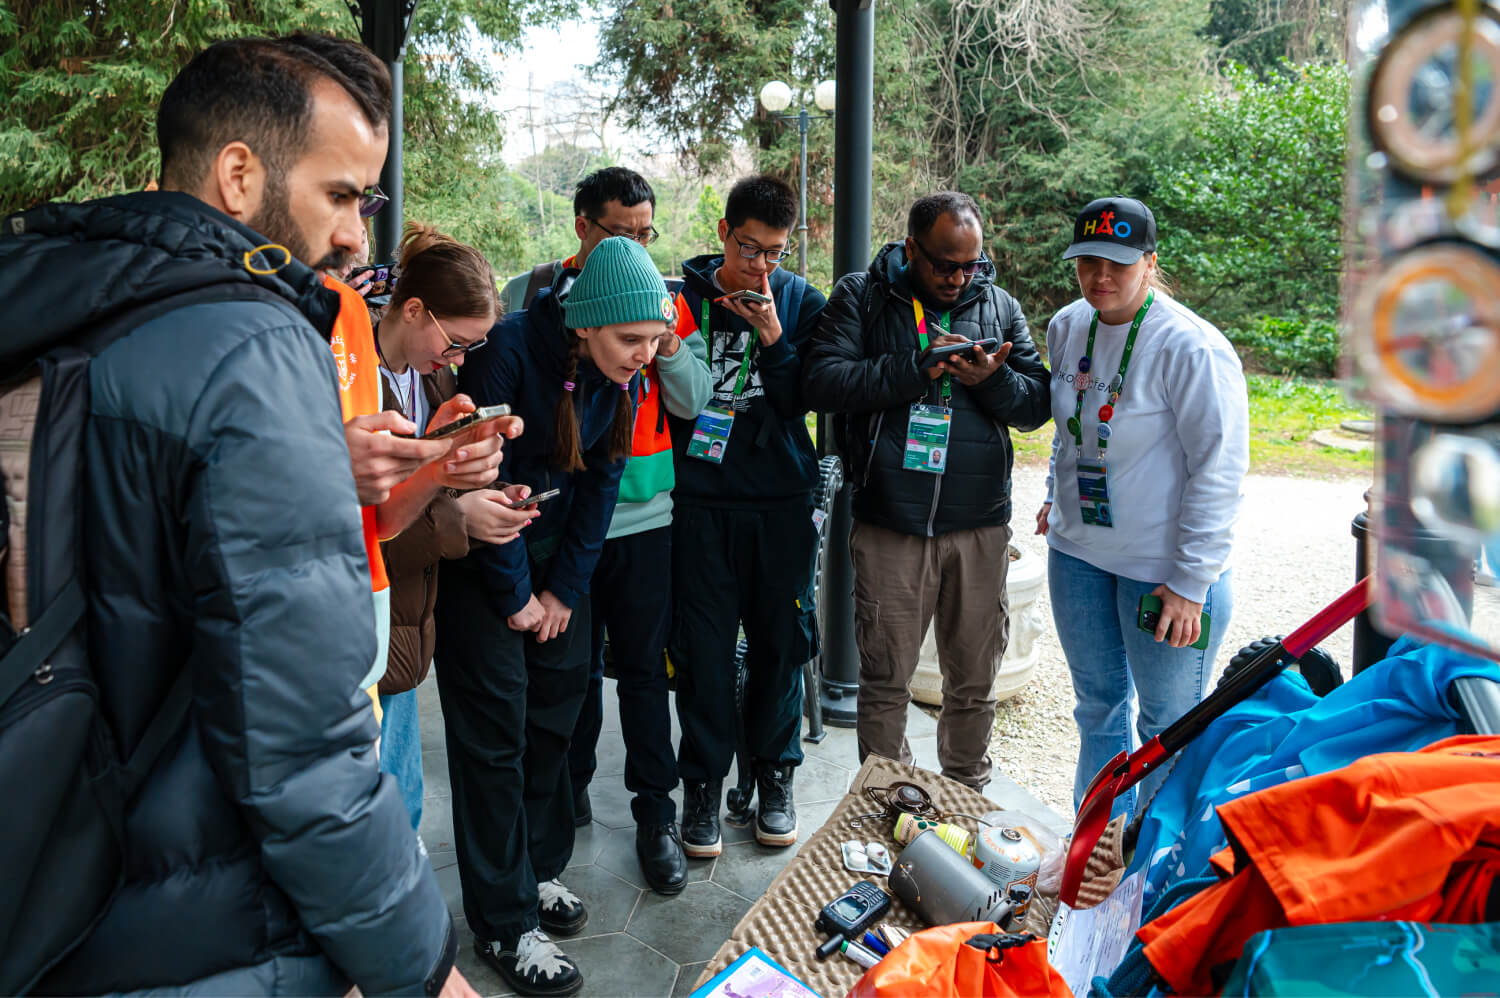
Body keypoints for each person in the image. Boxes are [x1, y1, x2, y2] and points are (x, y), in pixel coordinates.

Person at [0, 36, 473, 995]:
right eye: (341, 196)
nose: (356, 236)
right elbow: (303, 749)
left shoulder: (54, 292)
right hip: (211, 930)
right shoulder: (251, 348)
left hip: (59, 884)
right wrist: (421, 965)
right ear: (239, 173)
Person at [436, 236, 675, 996]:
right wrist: (515, 598)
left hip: (557, 577)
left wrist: (563, 593)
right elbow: (489, 479)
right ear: (586, 325)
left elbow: (604, 485)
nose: (643, 356)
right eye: (630, 340)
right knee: (495, 739)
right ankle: (504, 925)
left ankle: (537, 873)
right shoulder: (507, 350)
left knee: (557, 717)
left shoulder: (623, 378)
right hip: (487, 573)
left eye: (652, 341)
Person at [803, 191, 1051, 790]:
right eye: (944, 264)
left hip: (979, 524)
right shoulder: (863, 295)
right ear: (911, 248)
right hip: (892, 521)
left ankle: (966, 793)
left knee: (973, 679)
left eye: (970, 264)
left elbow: (1037, 401)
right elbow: (822, 381)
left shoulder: (998, 306)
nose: (959, 277)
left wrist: (992, 383)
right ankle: (888, 797)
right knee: (886, 678)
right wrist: (915, 366)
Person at [1035, 196, 1248, 818]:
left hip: (1163, 571)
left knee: (1168, 728)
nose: (1101, 277)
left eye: (1119, 264)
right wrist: (1055, 494)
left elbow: (1221, 470)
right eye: (1088, 261)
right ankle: (1094, 849)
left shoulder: (1192, 348)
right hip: (1078, 556)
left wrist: (1190, 584)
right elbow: (1068, 427)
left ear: (1150, 264)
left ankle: (1153, 872)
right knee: (1097, 709)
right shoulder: (1068, 324)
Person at [668, 175, 827, 857]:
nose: (760, 265)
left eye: (774, 252)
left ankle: (774, 777)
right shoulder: (683, 302)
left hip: (781, 502)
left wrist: (773, 338)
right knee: (702, 655)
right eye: (748, 247)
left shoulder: (800, 302)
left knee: (779, 648)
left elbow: (803, 402)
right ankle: (702, 786)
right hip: (701, 503)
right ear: (724, 232)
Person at [559, 227, 712, 895]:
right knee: (575, 671)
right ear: (585, 229)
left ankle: (658, 818)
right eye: (623, 228)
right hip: (574, 531)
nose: (639, 240)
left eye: (647, 230)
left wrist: (667, 344)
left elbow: (695, 400)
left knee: (647, 674)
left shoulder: (664, 308)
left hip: (648, 524)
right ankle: (568, 793)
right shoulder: (556, 304)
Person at [374, 222, 539, 831]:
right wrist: (459, 516)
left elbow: (440, 478)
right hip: (373, 600)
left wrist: (490, 489)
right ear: (413, 309)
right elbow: (370, 516)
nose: (461, 361)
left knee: (401, 790)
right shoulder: (350, 375)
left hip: (414, 605)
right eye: (454, 345)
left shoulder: (435, 378)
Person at [500, 166, 660, 313]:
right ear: (582, 227)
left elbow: (684, 342)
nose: (635, 247)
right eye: (622, 236)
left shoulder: (660, 294)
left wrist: (671, 343)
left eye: (644, 235)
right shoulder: (525, 291)